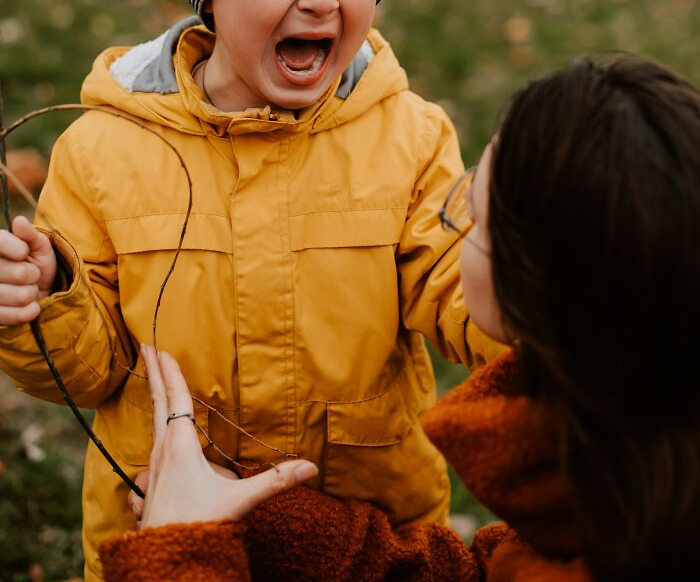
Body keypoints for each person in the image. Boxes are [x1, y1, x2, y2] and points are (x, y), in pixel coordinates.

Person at [0, 0, 501, 580]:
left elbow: (455, 290)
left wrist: (523, 280)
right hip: (167, 534)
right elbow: (90, 368)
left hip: (367, 546)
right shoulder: (105, 148)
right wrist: (48, 296)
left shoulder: (409, 137)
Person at [99, 55, 700, 582]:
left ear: (545, 288)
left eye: (476, 215)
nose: (455, 221)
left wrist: (178, 546)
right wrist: (272, 522)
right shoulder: (628, 479)